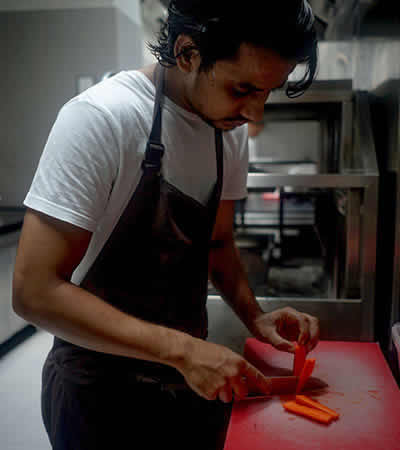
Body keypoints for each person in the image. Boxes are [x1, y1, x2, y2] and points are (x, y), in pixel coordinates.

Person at [13, 1, 320, 449]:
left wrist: (255, 317)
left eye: (267, 93)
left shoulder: (229, 132)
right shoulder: (102, 118)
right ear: (187, 53)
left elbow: (217, 243)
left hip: (189, 387)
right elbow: (34, 292)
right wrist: (184, 351)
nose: (255, 114)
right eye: (242, 89)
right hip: (98, 397)